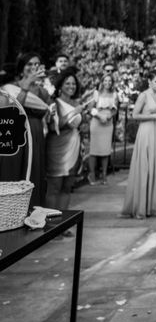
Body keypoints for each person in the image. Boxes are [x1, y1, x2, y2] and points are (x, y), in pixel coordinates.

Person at [0, 53, 52, 207]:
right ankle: (9, 211)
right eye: (29, 64)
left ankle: (31, 211)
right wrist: (24, 88)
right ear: (21, 68)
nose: (34, 67)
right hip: (16, 136)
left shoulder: (43, 92)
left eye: (37, 64)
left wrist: (52, 115)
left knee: (34, 173)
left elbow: (49, 114)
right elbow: (11, 110)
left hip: (35, 137)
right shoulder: (10, 87)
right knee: (14, 173)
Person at [121, 70, 156, 219]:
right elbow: (135, 115)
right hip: (146, 132)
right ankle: (141, 206)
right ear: (149, 81)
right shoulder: (143, 95)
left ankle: (155, 206)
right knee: (145, 166)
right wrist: (153, 115)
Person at [45, 70, 88, 217]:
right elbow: (53, 126)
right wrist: (73, 112)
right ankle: (51, 224)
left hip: (73, 147)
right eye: (67, 83)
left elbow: (80, 125)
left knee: (67, 187)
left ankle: (63, 223)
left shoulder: (77, 103)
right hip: (57, 148)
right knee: (54, 187)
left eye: (74, 83)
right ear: (60, 86)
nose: (71, 86)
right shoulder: (54, 103)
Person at [88, 74, 118, 185]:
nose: (108, 83)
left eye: (110, 81)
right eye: (105, 80)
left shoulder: (115, 94)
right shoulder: (97, 93)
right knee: (94, 150)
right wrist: (99, 116)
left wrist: (110, 116)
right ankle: (92, 175)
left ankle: (104, 175)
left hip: (108, 122)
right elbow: (90, 108)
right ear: (102, 81)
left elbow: (115, 109)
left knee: (105, 151)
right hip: (97, 122)